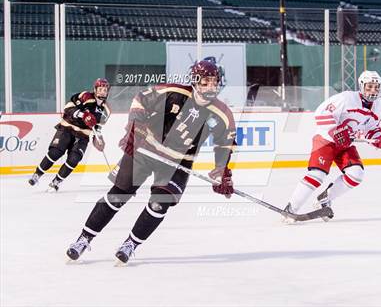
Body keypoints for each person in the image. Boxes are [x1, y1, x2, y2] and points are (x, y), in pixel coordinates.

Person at [66, 60, 237, 264]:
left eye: (214, 81)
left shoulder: (222, 113)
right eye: (206, 81)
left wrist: (223, 172)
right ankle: (84, 239)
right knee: (117, 196)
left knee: (159, 204)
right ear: (195, 80)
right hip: (146, 149)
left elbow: (226, 144)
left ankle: (130, 244)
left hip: (178, 163)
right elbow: (140, 100)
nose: (211, 86)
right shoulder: (173, 92)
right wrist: (134, 127)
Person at [284, 70, 381, 222]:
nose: (373, 90)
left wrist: (380, 139)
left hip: (345, 146)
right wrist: (336, 131)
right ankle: (291, 209)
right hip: (326, 141)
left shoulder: (378, 106)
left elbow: (370, 129)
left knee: (356, 174)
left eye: (376, 87)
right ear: (361, 86)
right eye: (369, 86)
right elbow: (321, 113)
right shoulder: (346, 98)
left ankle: (325, 198)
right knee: (317, 175)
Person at [28, 78, 111, 191]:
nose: (102, 92)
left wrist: (99, 139)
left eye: (105, 90)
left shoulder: (106, 110)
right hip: (67, 128)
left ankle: (57, 181)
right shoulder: (85, 96)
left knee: (74, 160)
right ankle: (37, 174)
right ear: (95, 89)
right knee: (55, 153)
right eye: (100, 89)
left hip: (83, 136)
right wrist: (82, 115)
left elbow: (97, 128)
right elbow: (68, 107)